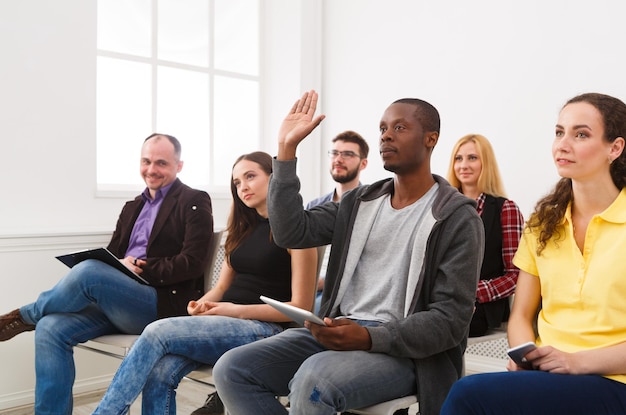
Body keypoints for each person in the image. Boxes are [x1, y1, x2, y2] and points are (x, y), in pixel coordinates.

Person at [212, 90, 485, 415]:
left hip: (406, 353)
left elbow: (450, 322)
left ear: (431, 139)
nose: (386, 135)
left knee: (313, 383)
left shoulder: (456, 216)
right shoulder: (358, 202)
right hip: (337, 330)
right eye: (383, 128)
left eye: (399, 128)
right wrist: (286, 151)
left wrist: (371, 338)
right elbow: (290, 232)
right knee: (232, 370)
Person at [0, 133, 214, 415]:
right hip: (118, 304)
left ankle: (25, 315)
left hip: (160, 305)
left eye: (161, 163)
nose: (151, 169)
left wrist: (141, 266)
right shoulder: (131, 208)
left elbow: (193, 263)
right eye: (146, 161)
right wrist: (118, 265)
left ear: (179, 165)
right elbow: (112, 257)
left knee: (89, 271)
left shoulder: (194, 200)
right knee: (50, 327)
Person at [440, 92, 626, 415]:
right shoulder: (543, 223)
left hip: (613, 379)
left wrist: (575, 362)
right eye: (559, 132)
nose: (562, 144)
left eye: (580, 134)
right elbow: (521, 317)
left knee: (468, 396)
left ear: (615, 148)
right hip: (551, 374)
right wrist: (523, 356)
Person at [92, 151, 318, 415]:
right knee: (161, 370)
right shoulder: (241, 229)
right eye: (236, 182)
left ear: (275, 177)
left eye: (250, 176)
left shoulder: (298, 232)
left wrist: (232, 310)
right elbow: (221, 289)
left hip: (263, 329)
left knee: (155, 332)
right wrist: (201, 304)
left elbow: (301, 306)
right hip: (223, 322)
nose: (243, 186)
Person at [447, 134, 524, 337]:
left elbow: (516, 276)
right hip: (441, 299)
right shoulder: (441, 208)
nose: (463, 165)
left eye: (472, 158)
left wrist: (473, 292)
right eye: (458, 158)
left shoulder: (505, 209)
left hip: (480, 308)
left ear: (486, 163)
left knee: (432, 327)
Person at [307, 130, 369, 314]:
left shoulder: (370, 205)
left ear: (363, 163)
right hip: (308, 287)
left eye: (348, 154)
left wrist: (323, 282)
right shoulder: (314, 206)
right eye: (334, 153)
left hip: (344, 291)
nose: (338, 159)